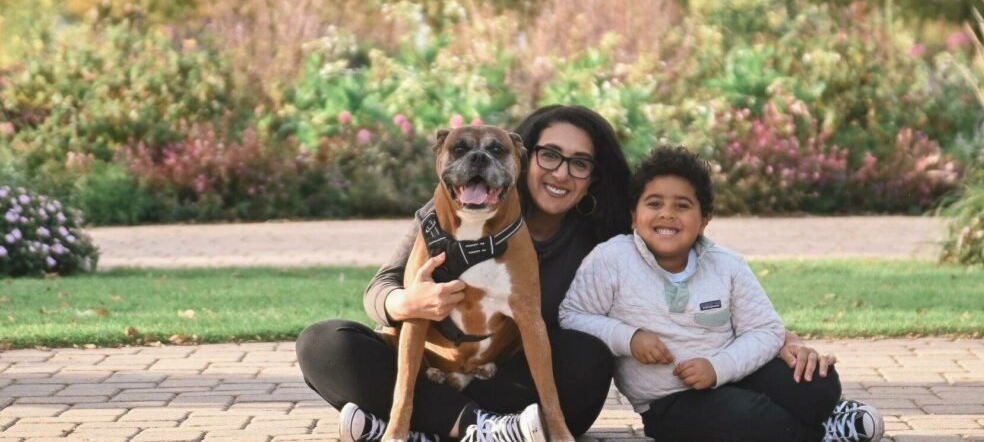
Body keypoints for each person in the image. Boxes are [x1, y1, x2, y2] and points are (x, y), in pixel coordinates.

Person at [296, 105, 868, 442]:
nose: (561, 173)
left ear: (593, 177)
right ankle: (472, 431)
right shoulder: (446, 215)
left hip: (527, 385)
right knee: (324, 344)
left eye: (580, 163)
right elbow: (379, 288)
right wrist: (404, 305)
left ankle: (438, 433)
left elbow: (696, 263)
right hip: (443, 369)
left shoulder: (609, 235)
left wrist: (782, 340)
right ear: (525, 158)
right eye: (550, 155)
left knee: (587, 353)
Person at [559, 146, 884, 442]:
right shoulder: (612, 259)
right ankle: (821, 433)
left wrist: (719, 367)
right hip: (668, 403)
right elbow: (572, 317)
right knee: (748, 417)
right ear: (634, 215)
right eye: (654, 203)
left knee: (820, 385)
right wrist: (628, 338)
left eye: (682, 206)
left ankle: (817, 417)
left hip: (738, 374)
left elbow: (766, 330)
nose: (667, 214)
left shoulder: (726, 265)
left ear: (703, 221)